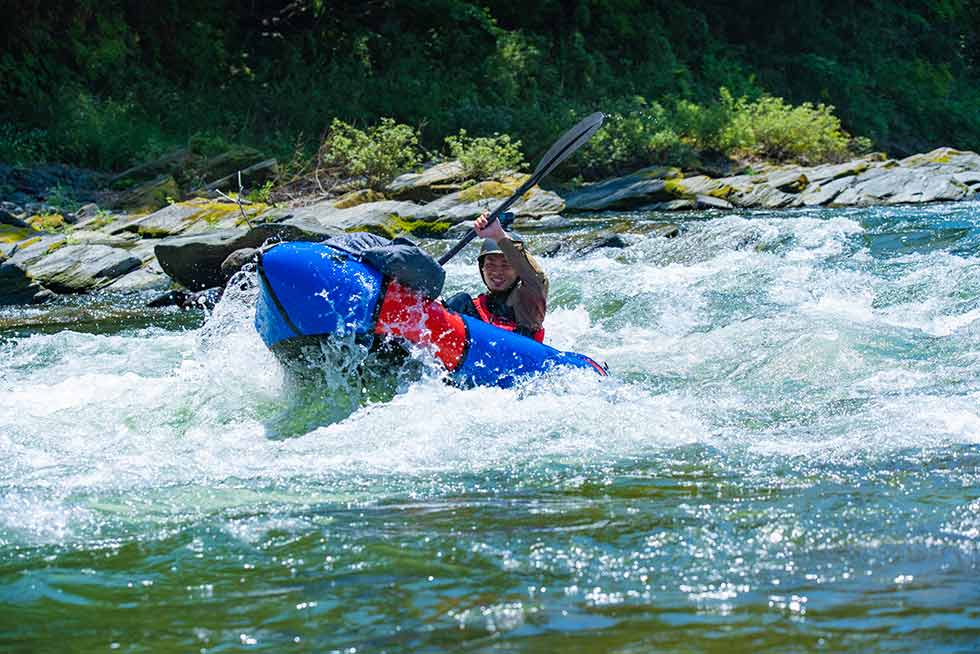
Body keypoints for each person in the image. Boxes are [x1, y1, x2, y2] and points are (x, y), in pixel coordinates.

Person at [443, 211, 548, 341]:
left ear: (517, 271)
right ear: (482, 268)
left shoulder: (530, 305)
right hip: (469, 354)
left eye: (506, 265)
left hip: (517, 358)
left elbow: (535, 278)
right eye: (491, 264)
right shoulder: (470, 307)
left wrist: (499, 236)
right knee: (460, 300)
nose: (497, 272)